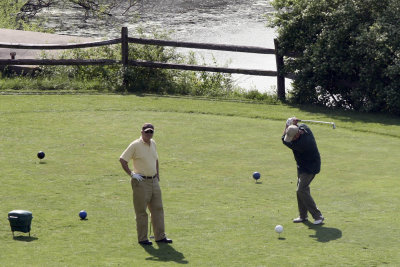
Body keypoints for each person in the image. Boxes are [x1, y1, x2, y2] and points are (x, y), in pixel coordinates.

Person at [119, 123, 173, 245]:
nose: (149, 134)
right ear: (142, 132)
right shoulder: (135, 145)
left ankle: (160, 236)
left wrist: (157, 174)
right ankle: (143, 238)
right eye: (147, 132)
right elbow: (122, 160)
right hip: (141, 182)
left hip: (154, 181)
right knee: (141, 211)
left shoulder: (153, 143)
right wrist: (132, 174)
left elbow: (156, 159)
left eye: (151, 132)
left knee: (158, 209)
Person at [282, 117, 325, 225]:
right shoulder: (305, 128)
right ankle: (303, 216)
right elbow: (291, 132)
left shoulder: (301, 144)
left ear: (297, 135)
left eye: (292, 137)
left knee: (301, 190)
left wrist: (287, 124)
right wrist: (293, 123)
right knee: (300, 190)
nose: (290, 139)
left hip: (310, 167)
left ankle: (318, 216)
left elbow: (283, 140)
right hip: (301, 166)